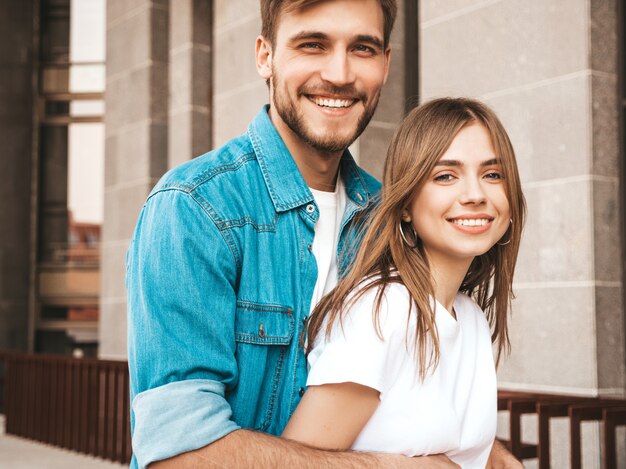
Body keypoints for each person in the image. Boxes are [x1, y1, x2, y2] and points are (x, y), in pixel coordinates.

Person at [126, 0, 521, 467]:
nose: (339, 73)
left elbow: (400, 385)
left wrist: (482, 451)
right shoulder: (194, 208)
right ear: (265, 56)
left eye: (363, 48)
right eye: (313, 44)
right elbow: (181, 456)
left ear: (386, 64)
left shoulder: (390, 215)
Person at [282, 97, 527, 468]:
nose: (476, 194)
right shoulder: (383, 310)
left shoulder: (469, 315)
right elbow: (298, 462)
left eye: (493, 174)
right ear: (407, 203)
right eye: (446, 176)